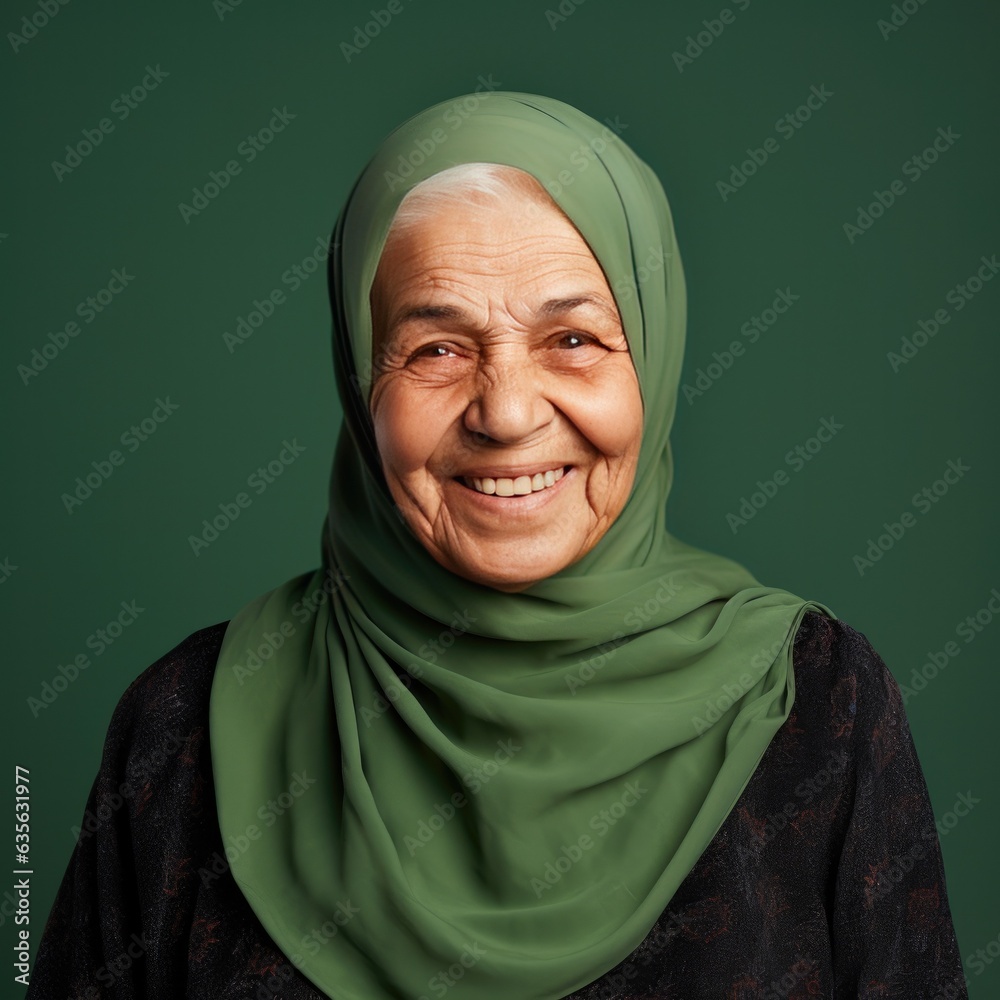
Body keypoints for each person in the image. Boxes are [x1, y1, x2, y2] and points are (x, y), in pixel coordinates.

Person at [28, 93, 967, 1000]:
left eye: (573, 339)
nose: (508, 414)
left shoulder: (817, 707)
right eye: (436, 348)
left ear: (659, 355)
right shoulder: (183, 733)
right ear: (360, 384)